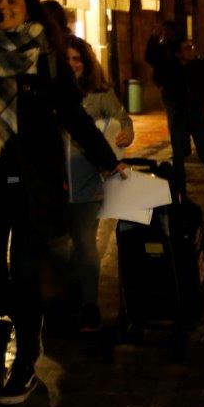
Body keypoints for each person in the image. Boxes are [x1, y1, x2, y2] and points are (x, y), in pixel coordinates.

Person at [0, 0, 126, 405]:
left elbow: (72, 114)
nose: (2, 5)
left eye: (12, 0)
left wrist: (108, 159)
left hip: (31, 180)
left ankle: (26, 362)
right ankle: (13, 310)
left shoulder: (46, 58)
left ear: (29, 9)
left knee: (24, 271)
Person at [65, 36, 134, 331]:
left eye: (76, 59)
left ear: (86, 62)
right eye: (65, 60)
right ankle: (67, 297)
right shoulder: (48, 94)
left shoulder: (99, 94)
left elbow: (123, 121)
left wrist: (126, 134)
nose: (71, 65)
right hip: (53, 183)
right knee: (61, 246)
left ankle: (89, 304)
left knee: (84, 242)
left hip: (88, 179)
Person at [145, 22, 204, 200]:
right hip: (179, 116)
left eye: (191, 47)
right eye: (187, 48)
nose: (191, 50)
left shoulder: (199, 65)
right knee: (179, 158)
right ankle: (180, 194)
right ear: (178, 53)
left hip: (197, 115)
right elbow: (150, 57)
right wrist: (154, 37)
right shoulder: (171, 68)